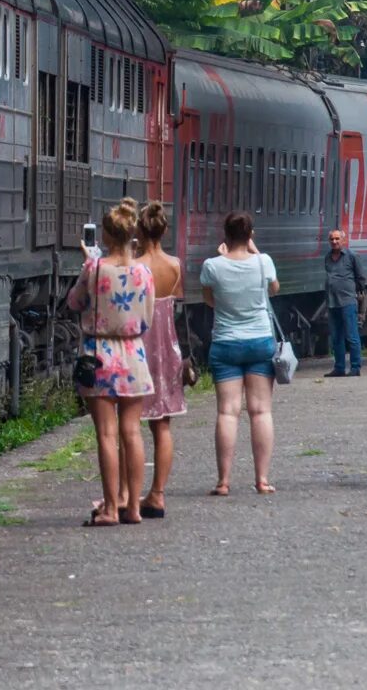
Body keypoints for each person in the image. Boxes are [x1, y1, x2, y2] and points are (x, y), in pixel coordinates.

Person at [65, 201, 155, 526]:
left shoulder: (95, 269)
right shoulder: (144, 272)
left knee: (107, 434)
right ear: (133, 236)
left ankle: (110, 509)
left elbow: (74, 302)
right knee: (132, 432)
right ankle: (133, 508)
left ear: (105, 234)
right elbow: (147, 319)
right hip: (134, 357)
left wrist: (87, 266)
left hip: (99, 357)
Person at [199, 212, 281, 496]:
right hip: (260, 341)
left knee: (227, 412)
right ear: (251, 235)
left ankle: (223, 481)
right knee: (260, 411)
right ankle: (262, 479)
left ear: (225, 234)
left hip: (225, 343)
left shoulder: (212, 266)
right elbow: (274, 289)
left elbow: (209, 300)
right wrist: (255, 252)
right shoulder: (264, 262)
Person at [131, 201, 186, 519]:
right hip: (167, 348)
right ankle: (157, 494)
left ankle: (127, 493)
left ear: (139, 230)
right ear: (164, 231)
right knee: (162, 426)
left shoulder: (134, 267)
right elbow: (173, 302)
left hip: (138, 345)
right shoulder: (175, 265)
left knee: (130, 425)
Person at [324, 229, 366, 378]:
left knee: (352, 336)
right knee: (336, 337)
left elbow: (361, 277)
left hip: (347, 301)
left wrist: (354, 292)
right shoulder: (327, 257)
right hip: (332, 302)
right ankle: (339, 367)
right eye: (331, 239)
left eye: (337, 239)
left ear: (343, 240)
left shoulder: (352, 256)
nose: (334, 242)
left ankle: (355, 367)